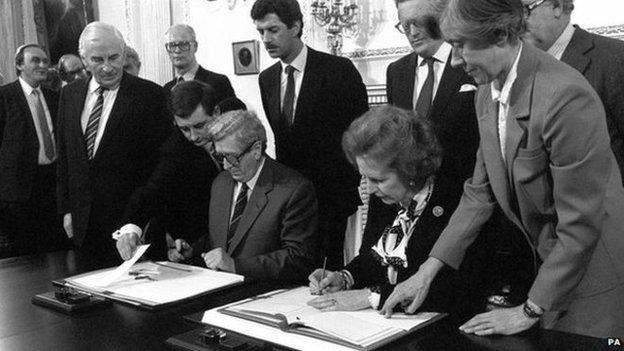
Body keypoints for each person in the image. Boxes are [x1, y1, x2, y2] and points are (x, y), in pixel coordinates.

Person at [379, 0, 624, 339]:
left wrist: (528, 311)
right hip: (546, 270)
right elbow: (479, 192)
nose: (456, 59)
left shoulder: (565, 96)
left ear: (501, 36)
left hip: (590, 281)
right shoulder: (486, 92)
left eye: (462, 45)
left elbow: (580, 225)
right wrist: (425, 272)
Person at [307, 106, 481, 318]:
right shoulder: (384, 198)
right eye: (364, 177)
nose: (369, 189)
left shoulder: (453, 200)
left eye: (378, 180)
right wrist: (344, 278)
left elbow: (452, 290)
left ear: (410, 169)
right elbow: (369, 259)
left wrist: (371, 297)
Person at [252, 0, 369, 270]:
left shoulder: (338, 70)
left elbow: (360, 135)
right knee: (293, 270)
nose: (266, 39)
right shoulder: (267, 78)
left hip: (331, 195)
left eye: (273, 29)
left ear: (295, 26)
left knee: (328, 272)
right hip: (289, 198)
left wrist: (347, 182)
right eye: (260, 32)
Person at [364, 0, 480, 255]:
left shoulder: (469, 60)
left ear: (441, 15)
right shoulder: (397, 71)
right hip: (411, 203)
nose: (412, 32)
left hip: (462, 200)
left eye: (418, 22)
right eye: (404, 25)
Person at [56, 22, 171, 268]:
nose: (108, 67)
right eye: (98, 59)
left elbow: (160, 166)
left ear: (124, 53)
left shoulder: (151, 96)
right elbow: (66, 157)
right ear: (84, 59)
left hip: (130, 225)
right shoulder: (70, 95)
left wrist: (135, 223)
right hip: (82, 225)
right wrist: (66, 209)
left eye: (114, 57)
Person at [169, 110, 317, 281]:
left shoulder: (293, 190)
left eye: (232, 158)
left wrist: (236, 266)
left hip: (265, 295)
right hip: (218, 291)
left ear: (256, 150)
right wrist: (192, 251)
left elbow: (298, 258)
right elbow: (222, 240)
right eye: (220, 156)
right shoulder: (220, 183)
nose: (225, 166)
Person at [115, 82, 246, 261]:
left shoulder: (236, 120)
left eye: (200, 126)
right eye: (184, 128)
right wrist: (131, 229)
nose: (193, 136)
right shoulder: (175, 148)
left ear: (216, 112)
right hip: (199, 243)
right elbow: (151, 191)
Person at [522, 0, 624, 182]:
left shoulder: (615, 59)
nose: (517, 22)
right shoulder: (517, 71)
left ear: (557, 7)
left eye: (524, 10)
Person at [0, 44, 64, 256]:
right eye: (35, 60)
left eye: (45, 60)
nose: (43, 65)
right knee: (26, 255)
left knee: (56, 248)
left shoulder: (55, 97)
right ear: (19, 65)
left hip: (52, 183)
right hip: (20, 191)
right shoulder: (4, 96)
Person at [163, 24, 235, 103]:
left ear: (195, 46)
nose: (177, 50)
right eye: (172, 45)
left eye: (183, 44)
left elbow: (232, 115)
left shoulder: (219, 83)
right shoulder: (166, 90)